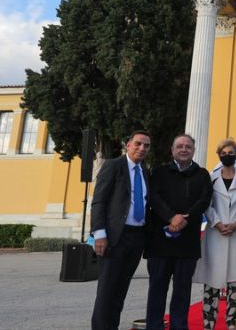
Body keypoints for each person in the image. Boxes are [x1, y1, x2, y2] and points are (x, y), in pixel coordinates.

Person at [145, 134, 214, 330]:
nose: (184, 149)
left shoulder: (202, 174)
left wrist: (185, 218)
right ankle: (154, 325)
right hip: (160, 242)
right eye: (180, 146)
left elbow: (204, 199)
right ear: (172, 149)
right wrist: (171, 217)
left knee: (182, 290)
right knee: (157, 288)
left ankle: (179, 325)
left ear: (193, 150)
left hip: (187, 242)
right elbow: (154, 198)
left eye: (188, 146)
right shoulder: (159, 172)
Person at [90, 130, 152, 330]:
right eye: (138, 144)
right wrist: (99, 234)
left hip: (136, 238)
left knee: (120, 292)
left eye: (146, 145)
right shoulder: (113, 166)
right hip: (114, 238)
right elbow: (99, 201)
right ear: (128, 145)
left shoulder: (145, 171)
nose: (142, 148)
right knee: (107, 291)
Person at [192, 139, 236, 330]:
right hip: (215, 235)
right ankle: (209, 324)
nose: (227, 156)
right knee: (211, 283)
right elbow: (205, 203)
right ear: (218, 155)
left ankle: (231, 324)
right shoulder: (211, 177)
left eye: (230, 152)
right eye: (223, 153)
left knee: (235, 284)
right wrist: (217, 223)